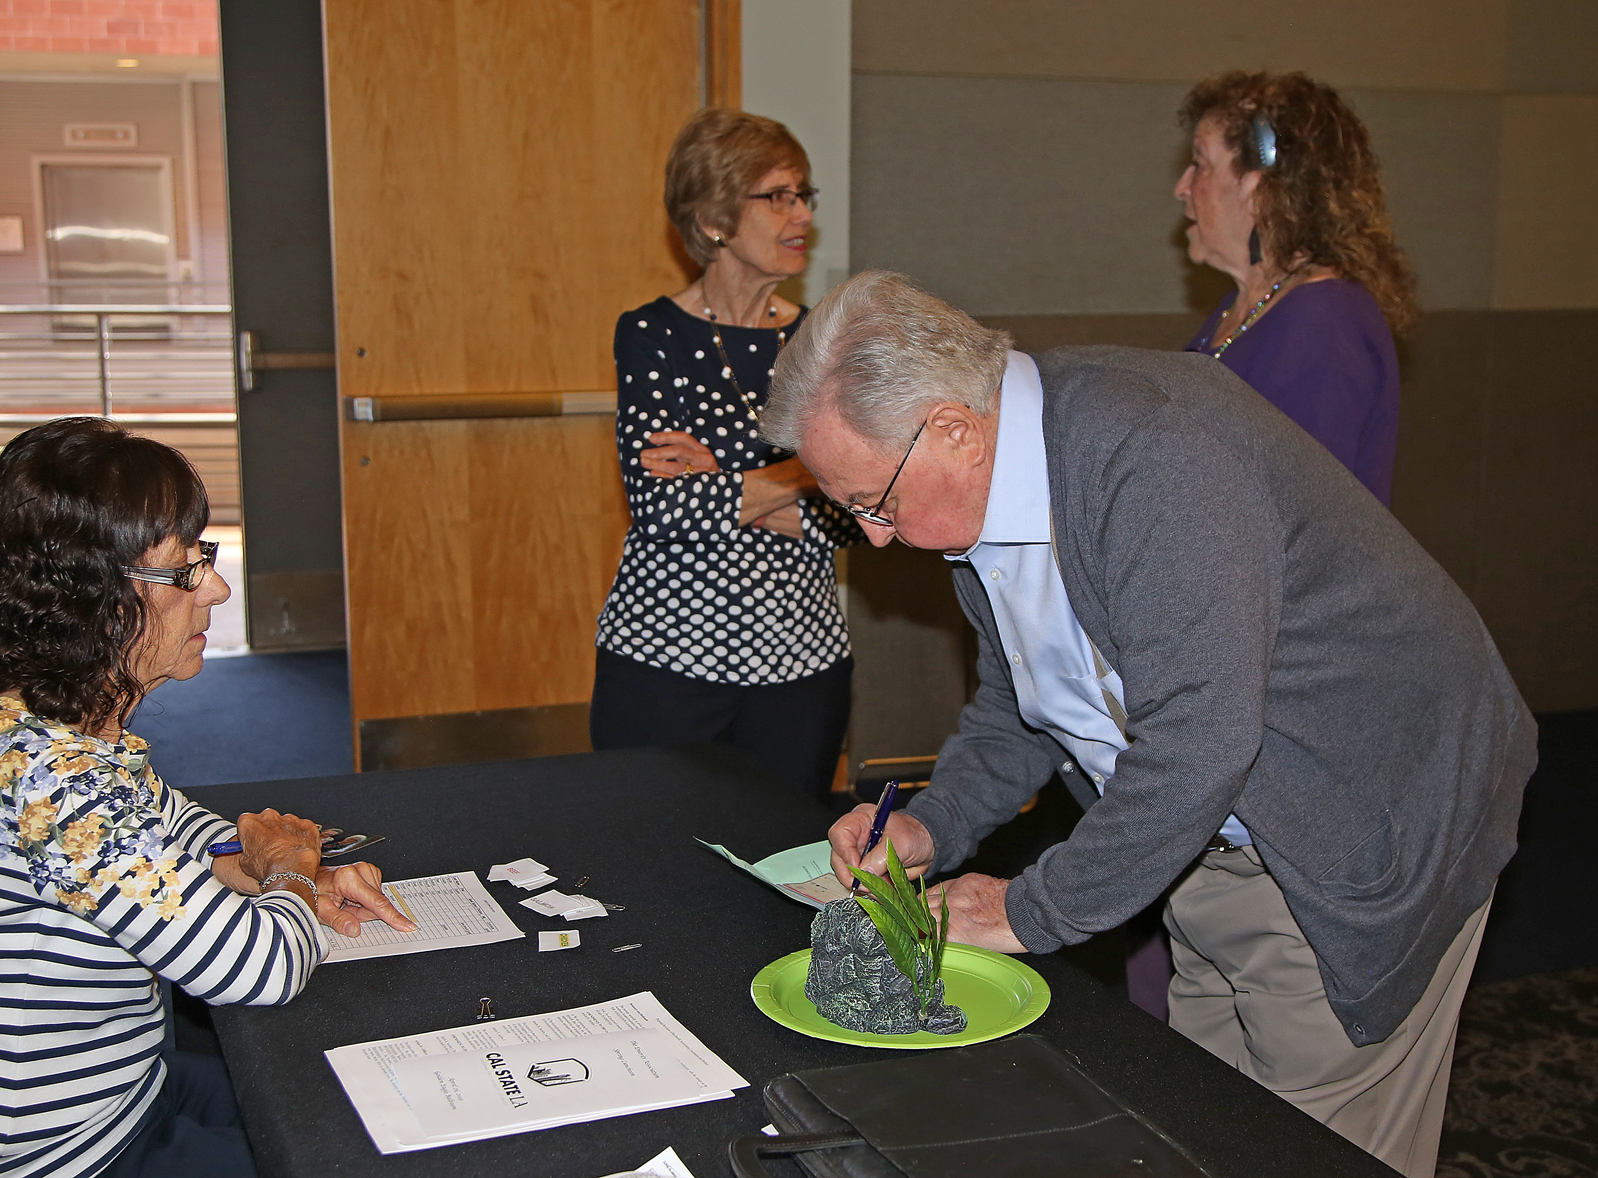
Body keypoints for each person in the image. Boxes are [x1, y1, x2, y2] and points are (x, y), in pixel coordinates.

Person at [763, 272, 1533, 1178]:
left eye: (872, 501)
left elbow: (1201, 738)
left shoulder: (1150, 451)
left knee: (1312, 1152)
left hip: (1360, 823)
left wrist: (1026, 908)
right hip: (1210, 829)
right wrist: (938, 820)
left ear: (952, 429)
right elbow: (1020, 701)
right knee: (1200, 1129)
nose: (878, 535)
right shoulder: (982, 488)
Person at [0, 418, 415, 1178]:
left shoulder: (9, 714)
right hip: (40, 1160)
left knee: (339, 1111)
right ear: (92, 603)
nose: (215, 587)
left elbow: (157, 819)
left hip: (113, 1099)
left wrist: (254, 864)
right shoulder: (53, 783)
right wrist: (294, 875)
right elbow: (261, 968)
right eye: (186, 571)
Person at [590, 108, 862, 799]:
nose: (800, 213)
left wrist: (725, 477)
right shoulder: (652, 335)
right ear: (713, 220)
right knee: (650, 860)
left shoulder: (823, 343)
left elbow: (853, 510)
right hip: (666, 665)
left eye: (804, 195)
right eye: (777, 196)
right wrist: (801, 476)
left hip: (803, 670)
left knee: (787, 871)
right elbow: (663, 508)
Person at [1176, 70, 1415, 504]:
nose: (1182, 187)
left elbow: (1297, 521)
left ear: (1260, 189)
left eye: (1201, 164)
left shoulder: (1323, 324)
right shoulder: (1246, 305)